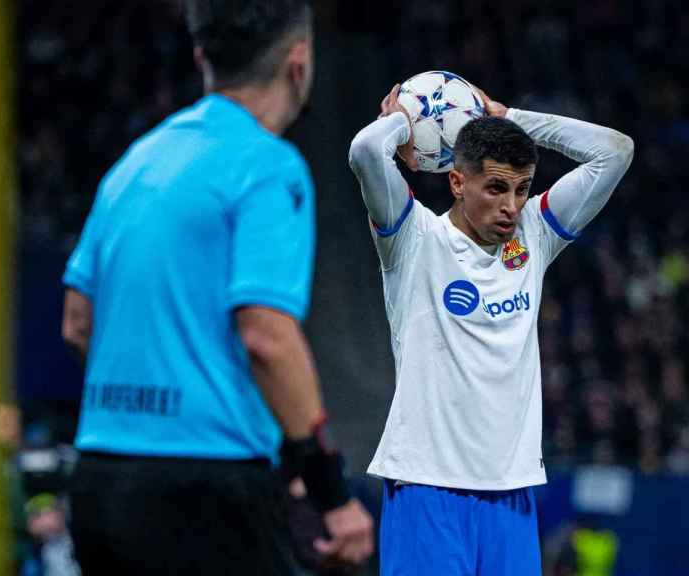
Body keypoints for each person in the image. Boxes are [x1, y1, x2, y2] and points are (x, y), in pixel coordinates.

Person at [60, 1, 372, 574]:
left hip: (99, 482)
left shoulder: (134, 162)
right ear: (298, 63)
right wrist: (331, 493)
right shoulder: (269, 166)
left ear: (203, 57)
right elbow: (267, 339)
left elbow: (78, 322)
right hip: (207, 492)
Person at [348, 82, 634, 574]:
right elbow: (365, 151)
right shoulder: (414, 238)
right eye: (496, 188)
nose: (512, 206)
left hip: (511, 490)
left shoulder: (534, 236)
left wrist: (505, 117)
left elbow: (614, 152)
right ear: (458, 183)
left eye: (522, 189)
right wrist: (404, 122)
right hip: (426, 485)